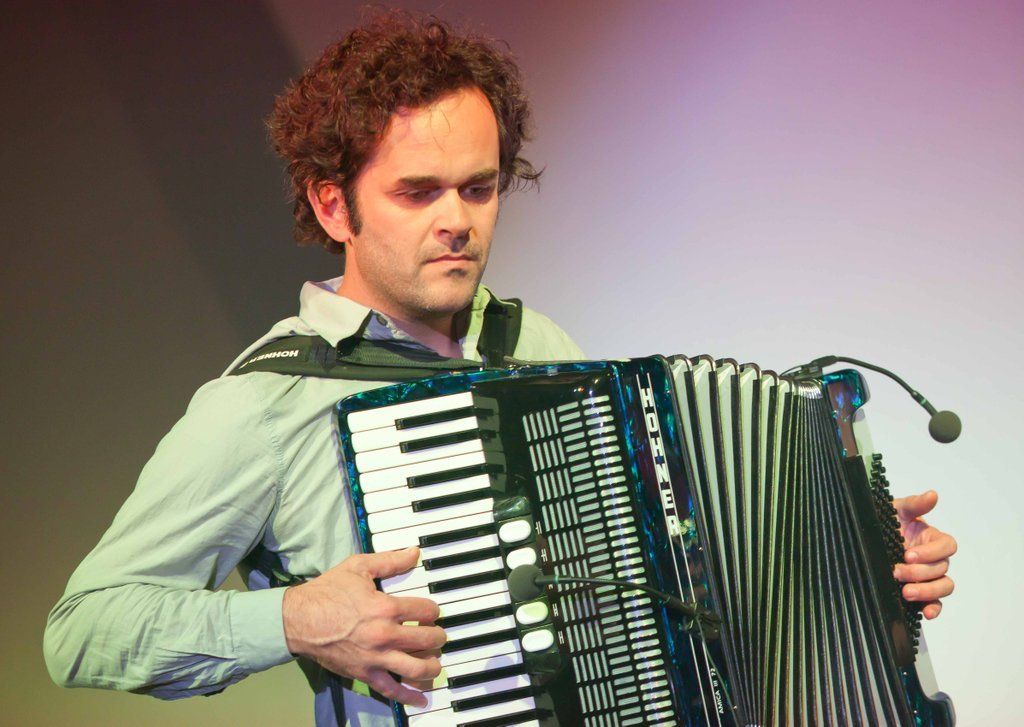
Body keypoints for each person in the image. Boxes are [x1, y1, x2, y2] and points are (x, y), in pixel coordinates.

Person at [43, 11, 957, 726]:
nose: (459, 220)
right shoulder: (265, 403)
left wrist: (858, 556)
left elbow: (665, 572)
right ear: (332, 205)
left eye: (478, 188)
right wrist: (292, 620)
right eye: (417, 192)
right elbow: (83, 627)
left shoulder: (537, 346)